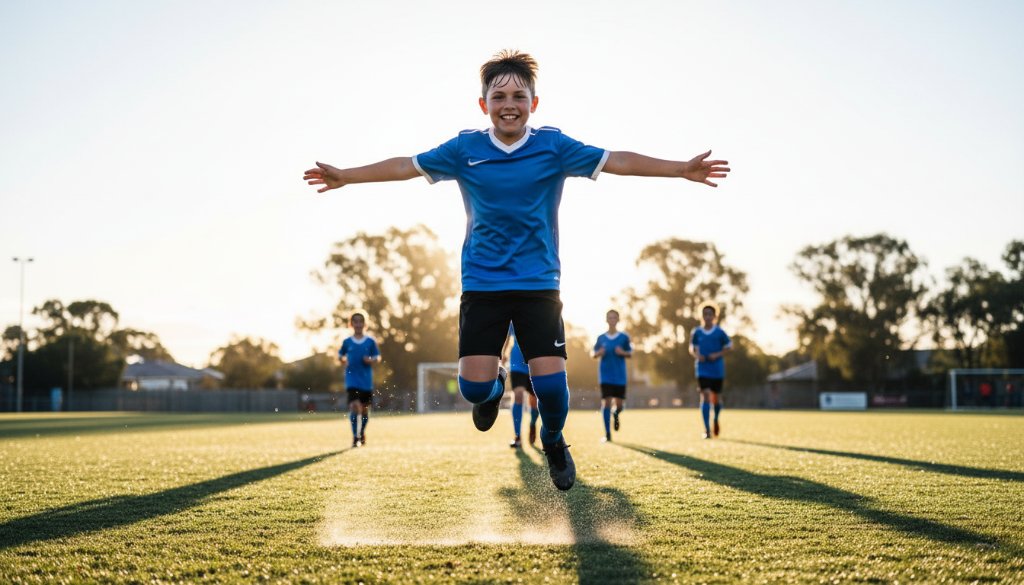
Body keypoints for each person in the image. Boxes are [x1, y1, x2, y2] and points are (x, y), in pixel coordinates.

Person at [305, 50, 730, 489]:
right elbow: (405, 166)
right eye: (499, 95)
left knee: (549, 389)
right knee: (473, 389)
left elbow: (617, 160)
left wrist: (680, 169)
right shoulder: (464, 148)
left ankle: (553, 438)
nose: (509, 103)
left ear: (534, 103)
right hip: (482, 285)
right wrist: (348, 176)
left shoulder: (554, 146)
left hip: (539, 285)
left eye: (519, 96)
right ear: (483, 103)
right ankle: (495, 388)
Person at [338, 313, 381, 448]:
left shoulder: (370, 341)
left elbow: (377, 357)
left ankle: (361, 433)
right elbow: (340, 355)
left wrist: (371, 360)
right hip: (351, 380)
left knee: (364, 410)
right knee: (354, 406)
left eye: (360, 321)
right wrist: (343, 360)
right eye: (355, 322)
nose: (358, 324)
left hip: (366, 381)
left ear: (365, 324)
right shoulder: (347, 342)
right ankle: (355, 437)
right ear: (351, 324)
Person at [690, 303, 732, 439]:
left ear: (714, 316)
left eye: (710, 314)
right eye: (705, 314)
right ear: (701, 316)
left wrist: (717, 354)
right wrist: (697, 356)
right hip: (702, 370)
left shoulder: (720, 332)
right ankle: (707, 430)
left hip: (717, 370)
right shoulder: (696, 332)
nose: (707, 316)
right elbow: (692, 348)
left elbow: (729, 346)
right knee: (706, 395)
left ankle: (715, 419)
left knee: (716, 399)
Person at [592, 309, 632, 442]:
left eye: (614, 317)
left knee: (619, 405)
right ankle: (608, 434)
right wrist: (599, 353)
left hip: (620, 376)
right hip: (605, 376)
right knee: (606, 402)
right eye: (610, 318)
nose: (612, 320)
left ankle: (616, 413)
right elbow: (593, 354)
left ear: (618, 320)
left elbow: (630, 353)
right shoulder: (601, 338)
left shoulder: (624, 337)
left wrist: (622, 352)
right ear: (606, 320)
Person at [507, 326, 538, 448]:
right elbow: (506, 337)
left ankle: (532, 423)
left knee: (535, 399)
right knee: (518, 396)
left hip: (533, 362)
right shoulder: (512, 318)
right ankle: (518, 436)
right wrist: (503, 352)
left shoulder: (536, 314)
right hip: (516, 364)